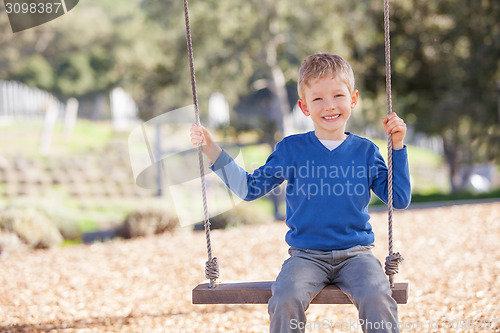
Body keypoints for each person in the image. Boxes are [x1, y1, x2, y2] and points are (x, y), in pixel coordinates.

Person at [190, 53, 411, 333]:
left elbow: (399, 198)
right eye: (317, 99)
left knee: (378, 296)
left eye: (338, 96)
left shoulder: (366, 151)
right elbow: (248, 188)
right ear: (304, 106)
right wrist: (212, 149)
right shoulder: (291, 150)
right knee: (285, 297)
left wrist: (398, 146)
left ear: (353, 99)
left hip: (357, 256)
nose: (329, 105)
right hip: (306, 257)